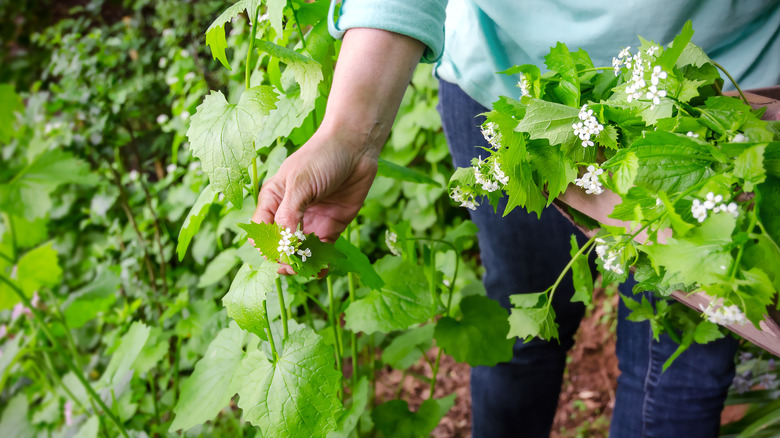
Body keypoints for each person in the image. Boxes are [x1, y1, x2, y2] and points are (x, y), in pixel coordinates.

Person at [252, 1, 780, 436]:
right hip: (509, 89)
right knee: (522, 330)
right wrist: (349, 132)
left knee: (679, 365)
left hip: (720, 106)